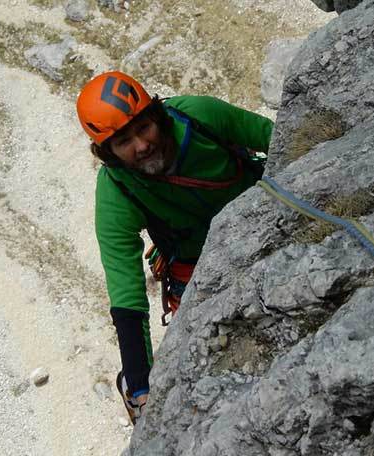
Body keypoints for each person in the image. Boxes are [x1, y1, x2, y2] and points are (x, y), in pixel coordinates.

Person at [75, 71, 274, 422]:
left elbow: (277, 139)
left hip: (264, 215)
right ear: (107, 153)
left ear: (158, 115)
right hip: (198, 266)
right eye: (124, 141)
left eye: (144, 127)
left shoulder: (201, 117)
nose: (142, 145)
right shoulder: (116, 193)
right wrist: (139, 382)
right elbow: (126, 290)